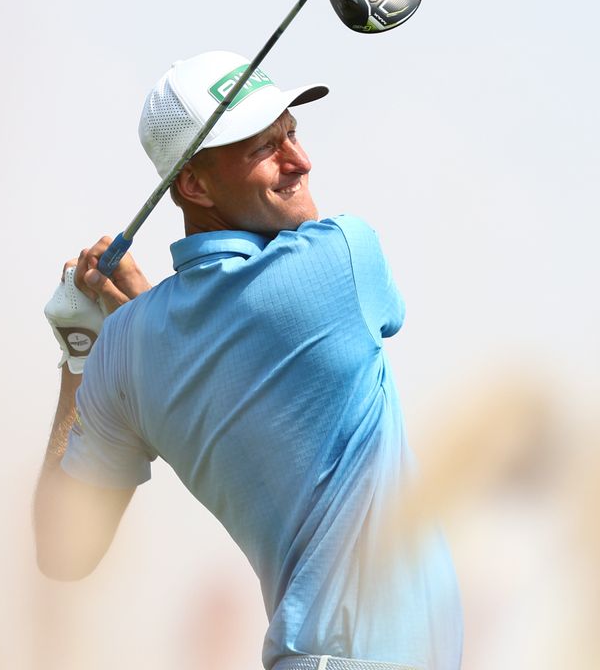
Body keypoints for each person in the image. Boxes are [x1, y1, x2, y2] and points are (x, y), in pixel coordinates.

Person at [35, 50, 463, 670]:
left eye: (292, 132)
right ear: (194, 184)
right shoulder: (342, 258)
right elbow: (256, 322)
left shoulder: (127, 351)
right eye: (265, 146)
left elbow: (62, 549)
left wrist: (84, 354)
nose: (300, 160)